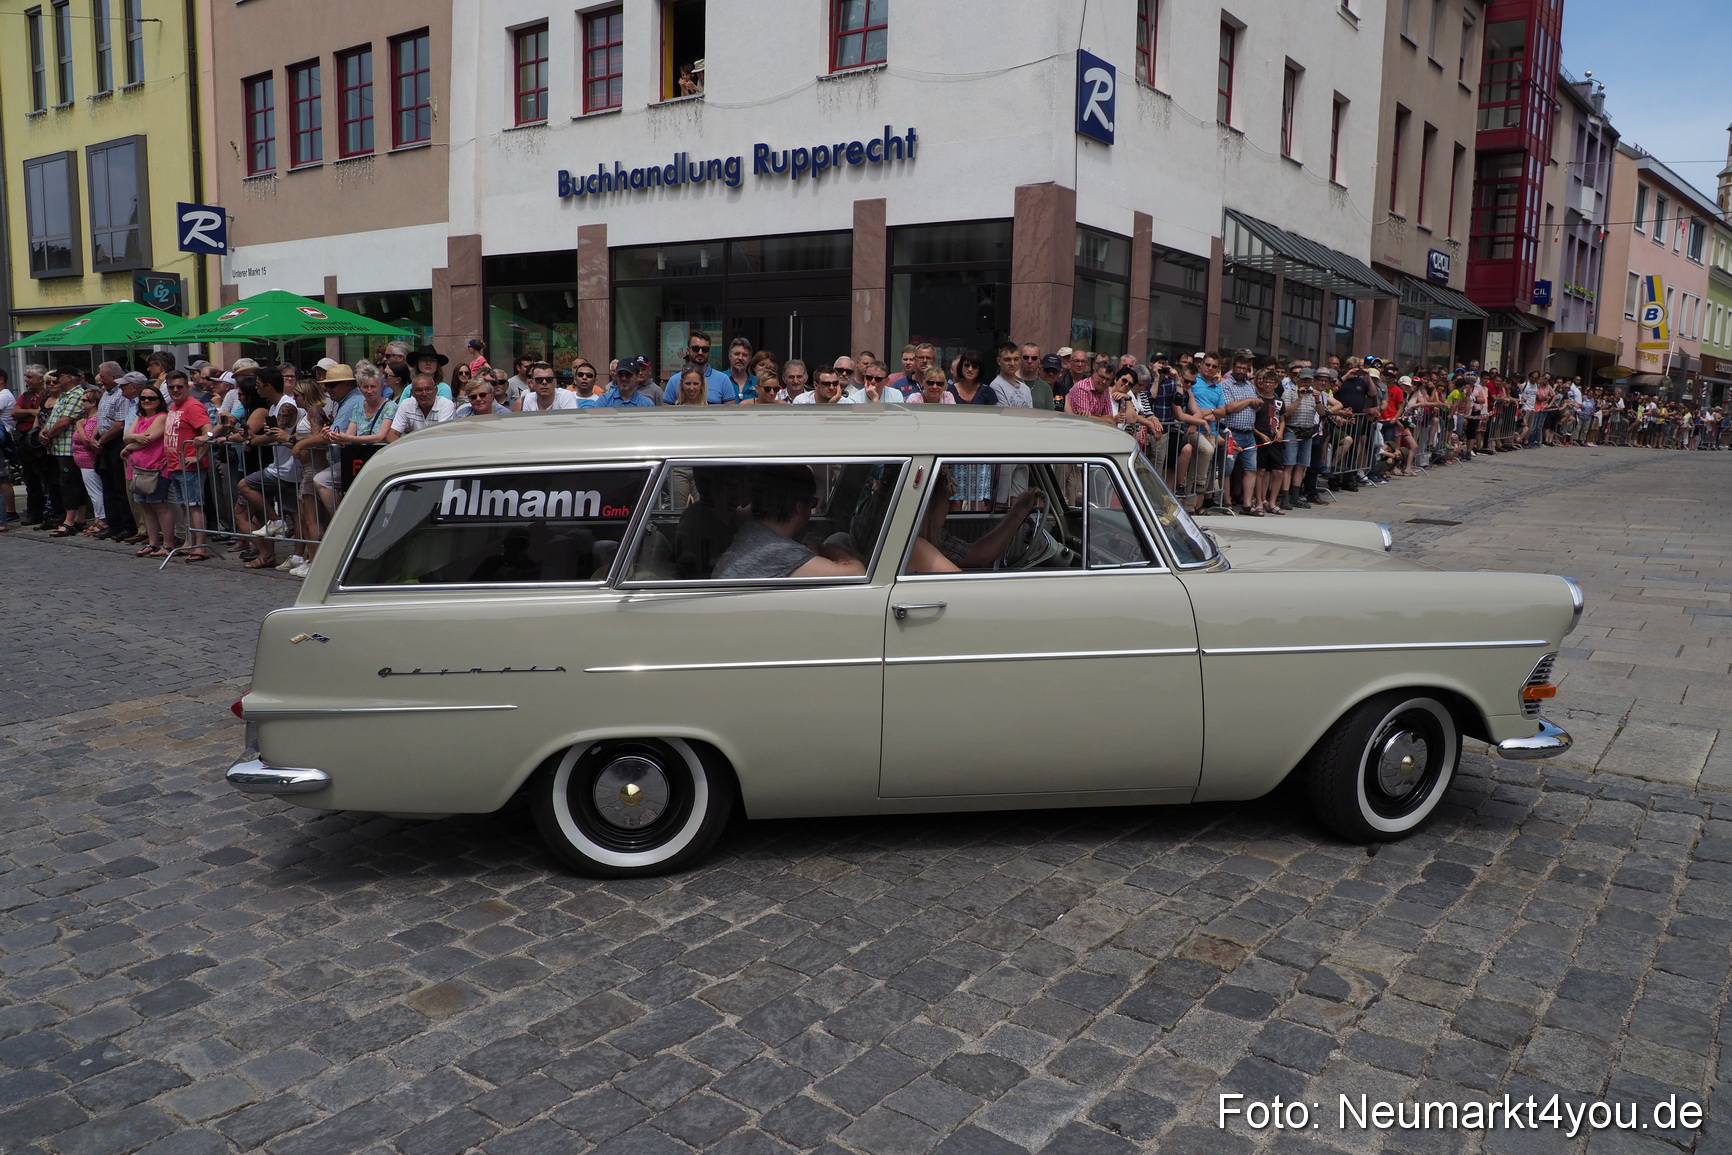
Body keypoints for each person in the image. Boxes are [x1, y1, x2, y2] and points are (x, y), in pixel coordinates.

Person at [711, 464, 866, 580]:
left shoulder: (751, 533)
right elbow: (857, 573)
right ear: (800, 507)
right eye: (812, 502)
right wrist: (830, 548)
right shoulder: (779, 551)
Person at [906, 468, 1046, 573]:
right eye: (946, 500)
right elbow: (980, 558)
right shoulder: (918, 545)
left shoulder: (935, 537)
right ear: (932, 507)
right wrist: (1019, 510)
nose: (948, 506)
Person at [121, 384, 174, 556]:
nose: (147, 401)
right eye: (143, 398)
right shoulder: (140, 418)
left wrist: (129, 446)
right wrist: (135, 437)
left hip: (156, 467)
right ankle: (153, 543)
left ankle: (168, 544)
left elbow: (149, 439)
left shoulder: (161, 417)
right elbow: (126, 436)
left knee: (159, 506)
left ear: (159, 401)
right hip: (137, 468)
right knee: (145, 506)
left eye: (151, 398)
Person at [70, 388, 108, 537]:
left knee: (95, 492)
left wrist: (79, 427)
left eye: (84, 400)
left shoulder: (94, 420)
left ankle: (102, 520)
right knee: (92, 492)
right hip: (82, 462)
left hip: (89, 462)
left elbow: (87, 440)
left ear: (93, 403)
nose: (82, 403)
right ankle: (99, 518)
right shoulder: (87, 419)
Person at [662, 334, 737, 403]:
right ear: (688, 350)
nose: (700, 352)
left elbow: (729, 410)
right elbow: (666, 409)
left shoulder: (723, 380)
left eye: (705, 349)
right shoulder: (674, 380)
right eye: (696, 348)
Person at [387, 373, 457, 439]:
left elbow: (442, 435)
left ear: (436, 391)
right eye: (419, 390)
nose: (424, 394)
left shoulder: (446, 404)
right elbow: (392, 434)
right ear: (412, 393)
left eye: (428, 389)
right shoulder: (406, 404)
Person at [1064, 354, 1117, 424]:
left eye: (1108, 380)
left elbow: (1110, 419)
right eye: (1101, 377)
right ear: (1094, 373)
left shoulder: (1105, 390)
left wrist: (1093, 417)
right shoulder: (1082, 387)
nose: (1104, 382)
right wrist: (1104, 419)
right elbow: (1084, 420)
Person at [515, 362, 579, 411]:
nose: (544, 382)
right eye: (539, 380)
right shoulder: (528, 399)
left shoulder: (566, 396)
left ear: (555, 382)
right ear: (532, 383)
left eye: (549, 379)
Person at [990, 343, 1034, 409]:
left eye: (1016, 359)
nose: (1012, 363)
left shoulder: (1026, 389)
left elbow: (1030, 413)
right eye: (1007, 359)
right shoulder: (996, 386)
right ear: (998, 361)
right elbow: (1004, 412)